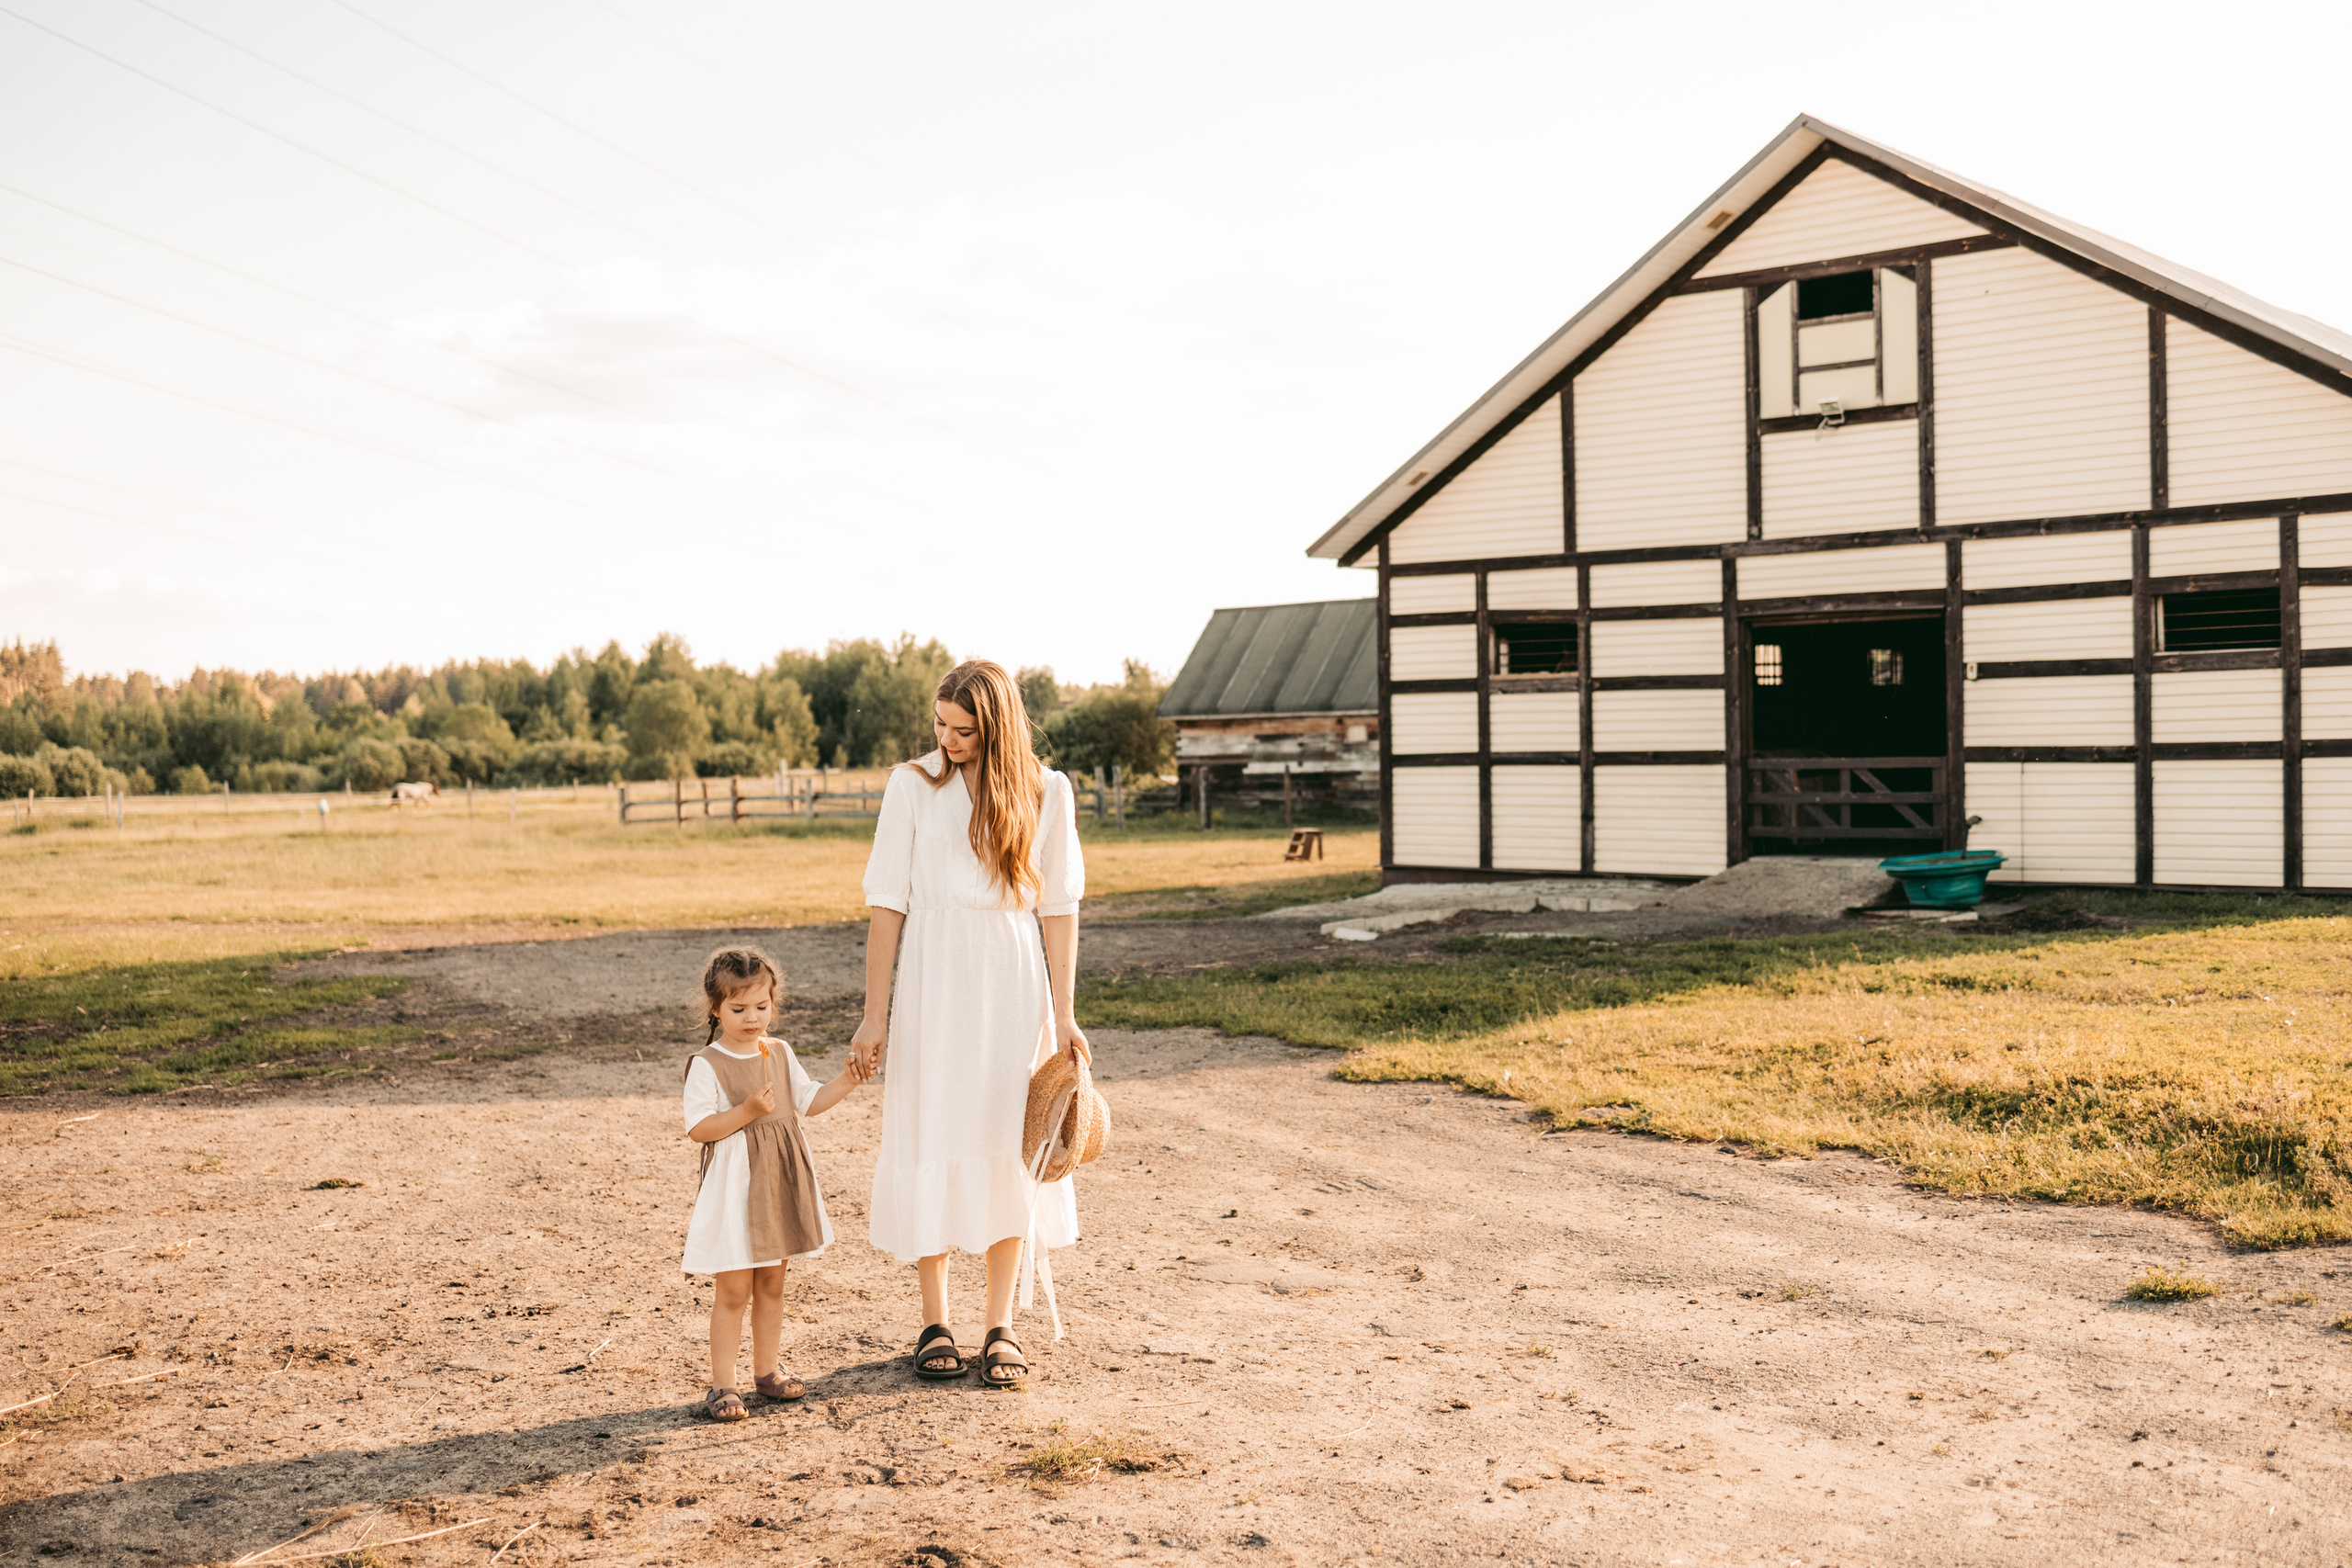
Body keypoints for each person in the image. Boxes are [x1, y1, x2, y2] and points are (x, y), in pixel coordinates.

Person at [853, 659, 1088, 1388]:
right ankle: (934, 1319)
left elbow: (1059, 908)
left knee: (1004, 1139)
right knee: (932, 1129)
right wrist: (872, 1014)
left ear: (997, 725)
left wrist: (1068, 1012)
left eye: (964, 729)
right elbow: (887, 903)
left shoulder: (1048, 791)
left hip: (1013, 987)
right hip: (933, 982)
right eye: (939, 724)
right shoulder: (911, 786)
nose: (948, 739)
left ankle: (999, 1325)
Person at [681, 944, 869, 1422]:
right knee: (732, 1291)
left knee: (772, 1284)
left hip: (779, 1185)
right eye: (739, 1009)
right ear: (715, 1009)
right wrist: (746, 1111)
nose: (751, 1018)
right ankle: (723, 1384)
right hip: (737, 1193)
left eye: (761, 1007)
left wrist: (845, 1081)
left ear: (773, 1005)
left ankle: (766, 1372)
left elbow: (808, 1101)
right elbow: (699, 1128)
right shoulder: (708, 1063)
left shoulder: (780, 1052)